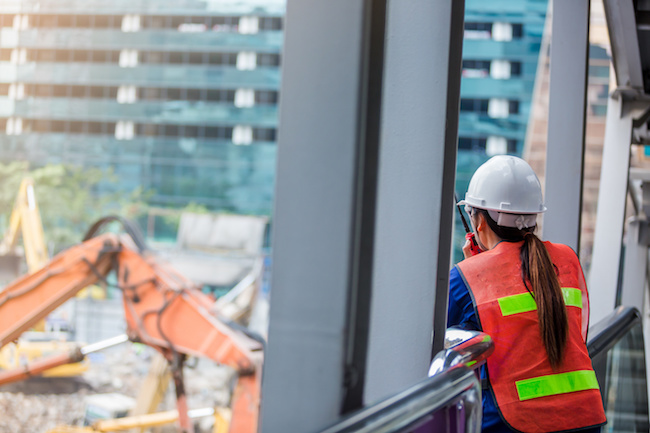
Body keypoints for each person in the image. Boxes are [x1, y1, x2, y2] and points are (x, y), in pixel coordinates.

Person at [448, 155, 606, 433]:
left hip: (515, 423)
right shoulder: (567, 258)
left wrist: (476, 267)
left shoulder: (465, 277)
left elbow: (443, 342)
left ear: (479, 222)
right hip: (585, 416)